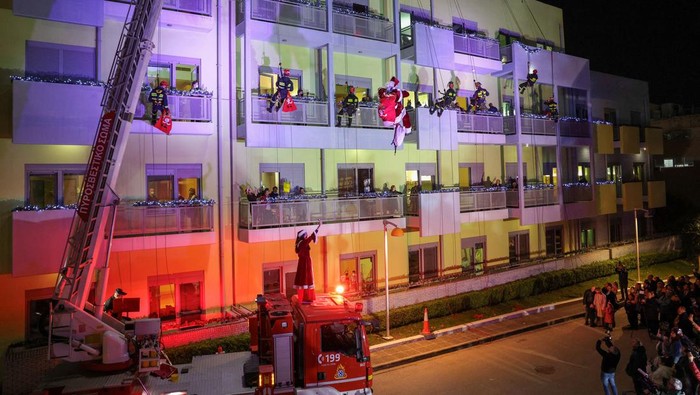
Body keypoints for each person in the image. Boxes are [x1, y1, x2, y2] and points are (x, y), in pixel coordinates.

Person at [294, 221, 322, 303]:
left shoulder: (299, 243)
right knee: (306, 279)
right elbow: (311, 237)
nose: (307, 235)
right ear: (303, 236)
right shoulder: (303, 243)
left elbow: (310, 238)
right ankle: (306, 297)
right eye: (305, 234)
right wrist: (318, 227)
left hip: (302, 262)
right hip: (305, 263)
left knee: (303, 279)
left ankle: (304, 297)